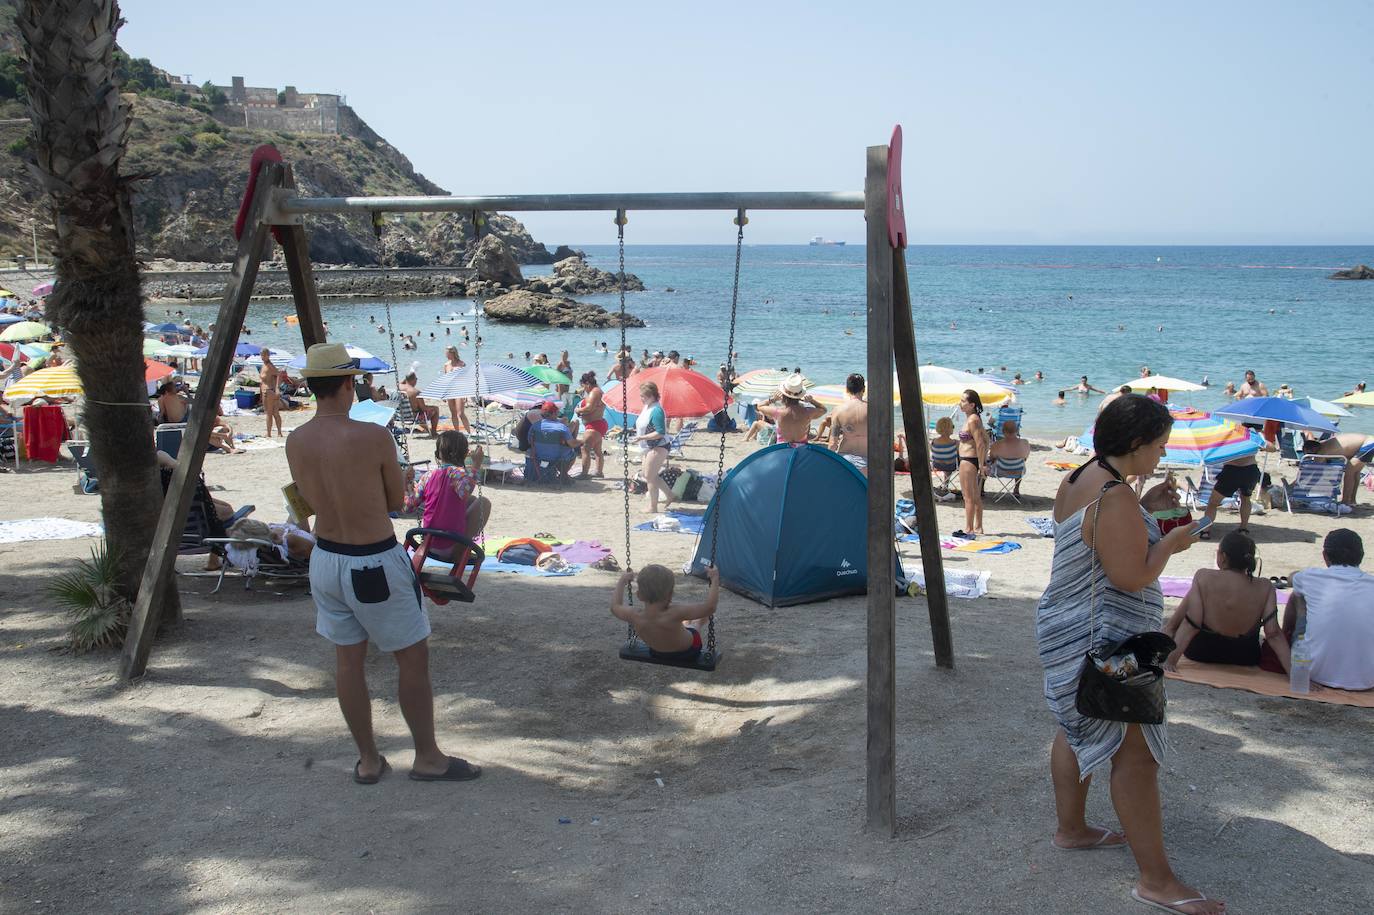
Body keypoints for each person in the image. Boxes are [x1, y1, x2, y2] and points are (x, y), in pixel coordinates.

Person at [1035, 394, 1218, 914]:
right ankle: (1157, 881)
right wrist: (1173, 545)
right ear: (1136, 444)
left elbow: (1102, 545)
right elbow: (1131, 574)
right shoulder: (1113, 496)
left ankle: (1072, 830)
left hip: (1068, 629)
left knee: (1076, 727)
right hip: (1106, 641)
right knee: (1135, 754)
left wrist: (1149, 509)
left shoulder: (1080, 478)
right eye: (1159, 446)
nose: (1162, 454)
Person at [285, 343, 480, 785]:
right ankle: (427, 757)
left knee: (348, 662)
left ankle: (369, 760)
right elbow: (397, 502)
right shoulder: (372, 437)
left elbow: (303, 500)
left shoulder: (295, 440)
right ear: (348, 384)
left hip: (325, 558)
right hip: (371, 558)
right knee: (412, 659)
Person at [1162, 532, 1289, 671]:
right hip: (1245, 656)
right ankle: (1169, 629)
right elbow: (1273, 633)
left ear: (1222, 556)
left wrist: (1171, 661)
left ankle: (1169, 629)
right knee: (1198, 591)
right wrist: (1295, 675)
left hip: (1201, 652)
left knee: (1198, 591)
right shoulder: (1265, 586)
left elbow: (1192, 623)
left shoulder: (1204, 576)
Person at [1281, 530, 1374, 690]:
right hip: (1367, 679)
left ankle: (1286, 638)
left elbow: (1292, 578)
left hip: (1314, 673)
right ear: (1361, 556)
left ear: (1325, 556)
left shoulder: (1309, 577)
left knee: (1297, 596)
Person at [610, 564, 720, 662]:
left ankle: (685, 624)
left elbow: (615, 607)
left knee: (682, 626)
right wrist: (714, 578)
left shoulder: (634, 615)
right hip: (689, 652)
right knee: (694, 626)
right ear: (670, 594)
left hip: (657, 652)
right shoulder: (676, 612)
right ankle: (696, 623)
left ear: (639, 595)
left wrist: (622, 581)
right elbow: (710, 607)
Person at [419, 431, 490, 560]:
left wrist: (406, 486)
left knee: (472, 500)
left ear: (437, 454)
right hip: (450, 544)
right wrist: (476, 465)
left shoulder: (427, 476)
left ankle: (459, 546)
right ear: (464, 454)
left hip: (428, 541)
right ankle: (462, 549)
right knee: (483, 502)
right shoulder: (457, 473)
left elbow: (408, 507)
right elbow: (465, 491)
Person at [634, 381, 675, 512]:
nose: (641, 399)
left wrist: (642, 437)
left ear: (651, 395)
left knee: (649, 476)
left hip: (659, 445)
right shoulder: (647, 407)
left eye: (643, 396)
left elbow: (660, 432)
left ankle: (653, 506)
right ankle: (669, 495)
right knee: (649, 475)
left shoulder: (656, 410)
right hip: (648, 446)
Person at [1199, 452, 1261, 537]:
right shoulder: (1251, 438)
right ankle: (1243, 528)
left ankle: (1205, 530)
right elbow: (1271, 447)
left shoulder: (1228, 438)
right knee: (1245, 499)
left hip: (1232, 470)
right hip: (1250, 469)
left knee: (1213, 502)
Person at [1305, 431, 1374, 506]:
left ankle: (1345, 501)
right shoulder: (1323, 444)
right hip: (1368, 441)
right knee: (1355, 472)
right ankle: (1352, 500)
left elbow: (1316, 473)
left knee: (1349, 472)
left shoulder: (1322, 452)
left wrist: (1304, 485)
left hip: (1368, 444)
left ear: (1312, 451)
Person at [955, 389, 989, 537]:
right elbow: (987, 439)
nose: (960, 403)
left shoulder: (973, 420)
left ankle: (969, 528)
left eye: (963, 401)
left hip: (969, 460)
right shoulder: (974, 418)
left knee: (968, 497)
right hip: (969, 459)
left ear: (972, 404)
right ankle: (978, 527)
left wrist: (982, 465)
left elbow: (980, 443)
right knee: (974, 496)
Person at [759, 374, 827, 445]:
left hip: (782, 448)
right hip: (801, 449)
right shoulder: (808, 412)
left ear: (783, 394)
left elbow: (759, 406)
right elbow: (824, 409)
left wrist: (773, 399)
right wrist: (812, 400)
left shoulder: (777, 412)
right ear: (800, 395)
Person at [827, 373, 868, 474]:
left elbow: (833, 443)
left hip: (845, 460)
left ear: (846, 390)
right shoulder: (873, 409)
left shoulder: (838, 410)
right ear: (864, 389)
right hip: (868, 460)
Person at [574, 371, 606, 478]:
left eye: (583, 386)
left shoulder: (594, 392)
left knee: (585, 448)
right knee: (597, 450)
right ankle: (599, 472)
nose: (584, 389)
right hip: (597, 424)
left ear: (587, 383)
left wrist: (578, 410)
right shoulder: (597, 391)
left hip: (594, 425)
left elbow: (589, 408)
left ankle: (584, 473)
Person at [988, 419, 1031, 497]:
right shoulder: (1025, 443)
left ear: (1003, 431)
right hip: (1018, 472)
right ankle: (1016, 489)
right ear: (1017, 430)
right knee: (1020, 464)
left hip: (999, 472)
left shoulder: (997, 444)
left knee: (984, 466)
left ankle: (981, 490)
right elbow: (1025, 459)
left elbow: (991, 459)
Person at [441, 346, 469, 433]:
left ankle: (469, 432)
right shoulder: (446, 365)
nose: (446, 355)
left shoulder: (462, 364)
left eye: (447, 353)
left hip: (459, 390)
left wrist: (466, 394)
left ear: (452, 353)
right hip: (450, 391)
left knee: (460, 413)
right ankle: (457, 433)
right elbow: (445, 380)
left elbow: (465, 379)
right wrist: (444, 394)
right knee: (453, 414)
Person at [259, 348, 283, 438]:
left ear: (268, 355)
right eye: (261, 355)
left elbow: (279, 375)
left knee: (270, 413)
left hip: (269, 391)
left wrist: (277, 388)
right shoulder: (264, 365)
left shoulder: (270, 366)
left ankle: (270, 433)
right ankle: (278, 433)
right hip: (267, 391)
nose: (262, 357)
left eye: (264, 355)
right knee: (274, 413)